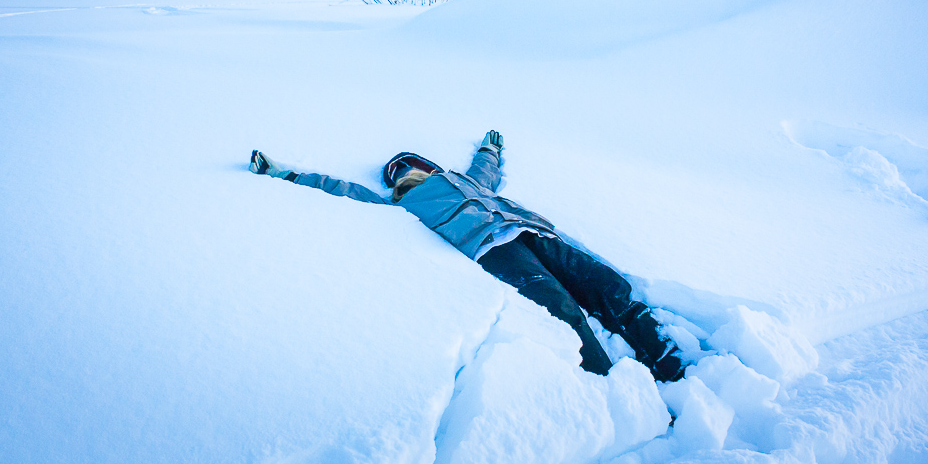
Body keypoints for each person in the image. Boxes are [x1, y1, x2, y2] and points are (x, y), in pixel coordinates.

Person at [249, 130, 685, 382]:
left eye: (410, 166)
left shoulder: (465, 181)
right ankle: (612, 388)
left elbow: (486, 169)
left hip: (529, 231)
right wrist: (282, 173)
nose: (406, 173)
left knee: (606, 285)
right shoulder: (398, 206)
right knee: (561, 307)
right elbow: (337, 188)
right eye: (398, 173)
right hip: (490, 250)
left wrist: (490, 148)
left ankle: (665, 358)